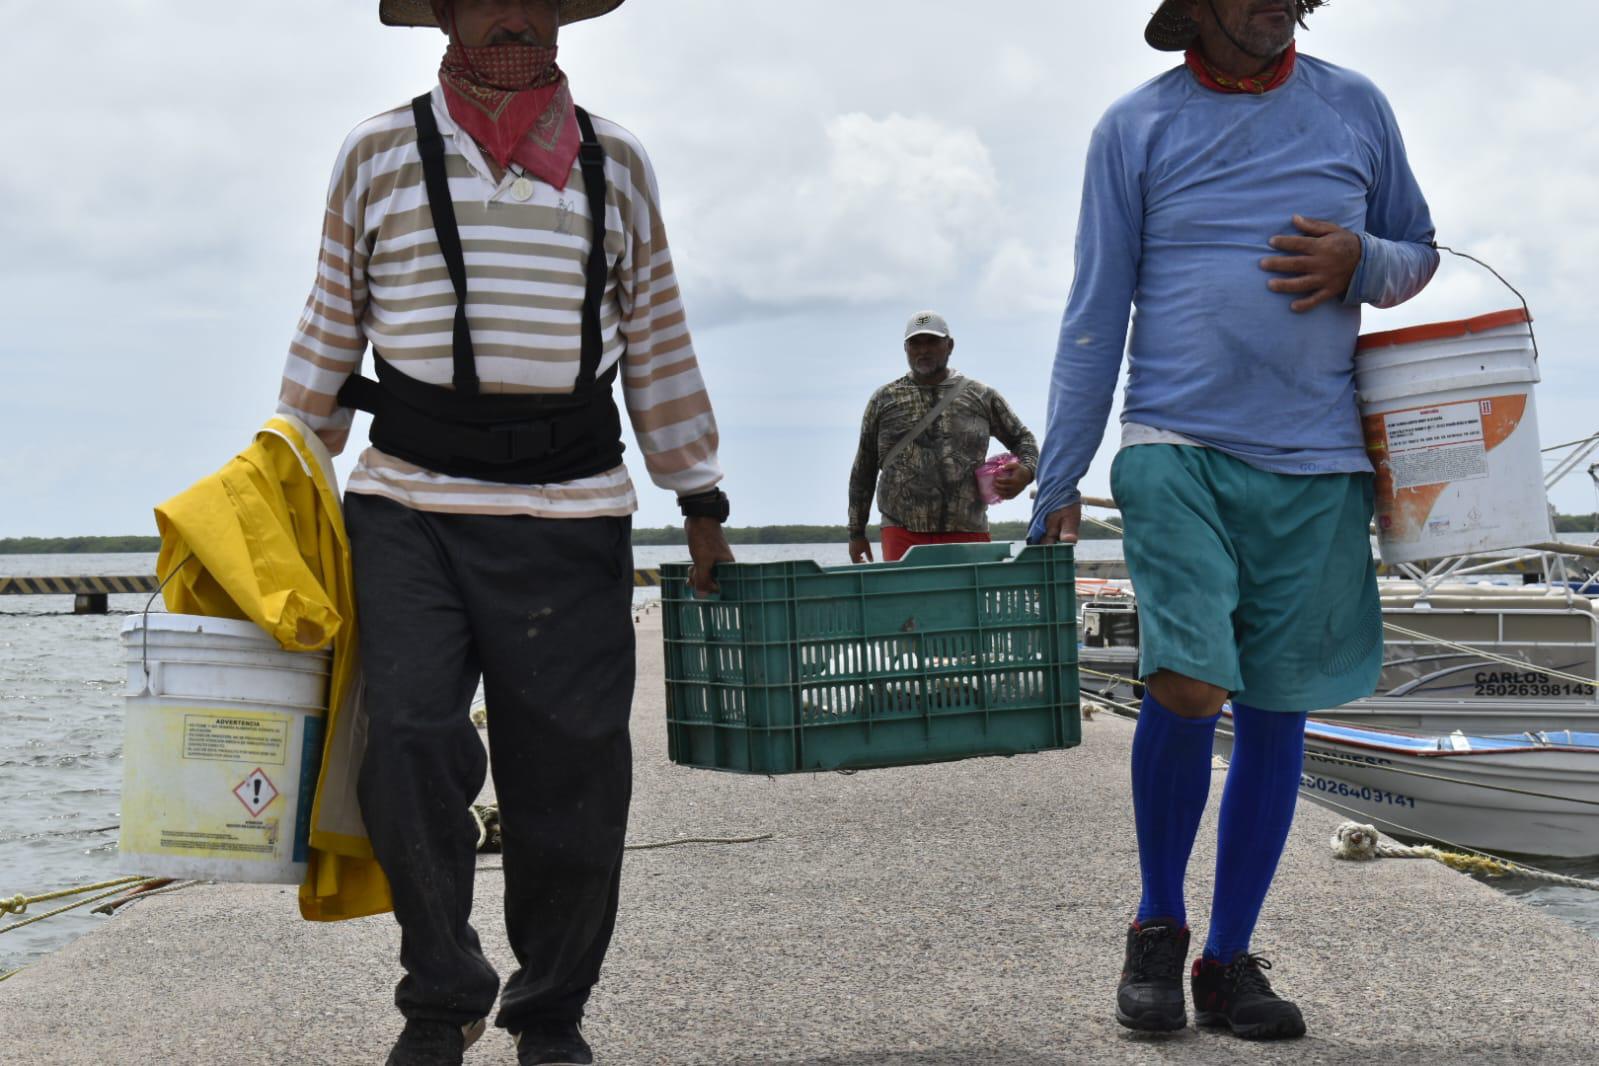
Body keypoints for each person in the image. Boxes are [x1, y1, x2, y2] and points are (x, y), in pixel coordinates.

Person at [275, 2, 733, 1063]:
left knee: (571, 772)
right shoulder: (377, 151)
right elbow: (331, 319)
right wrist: (287, 470)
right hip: (407, 503)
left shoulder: (616, 162)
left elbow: (658, 330)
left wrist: (699, 498)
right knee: (406, 742)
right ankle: (442, 992)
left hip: (573, 509)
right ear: (444, 12)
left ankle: (550, 1011)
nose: (512, 12)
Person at [1029, 0, 1439, 1041]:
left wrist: (1362, 261)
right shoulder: (1136, 126)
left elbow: (1419, 250)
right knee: (1187, 681)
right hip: (1174, 443)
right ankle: (1156, 926)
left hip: (1319, 459)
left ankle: (1226, 960)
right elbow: (1094, 309)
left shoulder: (1356, 106)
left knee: (1277, 706)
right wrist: (1058, 479)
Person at [847, 311, 1039, 563]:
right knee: (906, 591)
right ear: (905, 348)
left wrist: (1026, 472)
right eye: (915, 343)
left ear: (949, 345)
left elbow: (1024, 440)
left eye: (932, 342)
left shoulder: (981, 396)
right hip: (901, 530)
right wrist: (856, 532)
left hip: (967, 528)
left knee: (972, 592)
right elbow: (864, 468)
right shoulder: (884, 400)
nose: (923, 350)